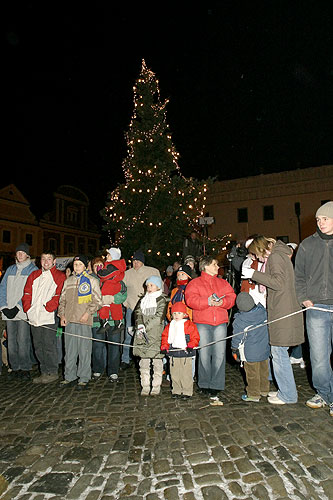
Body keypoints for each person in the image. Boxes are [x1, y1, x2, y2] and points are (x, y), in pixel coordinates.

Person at [242, 236, 304, 405]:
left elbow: (278, 282)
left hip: (282, 310)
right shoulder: (280, 254)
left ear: (262, 249)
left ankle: (288, 395)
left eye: (256, 254)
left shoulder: (275, 257)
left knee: (279, 353)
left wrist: (254, 274)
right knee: (278, 352)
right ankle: (285, 390)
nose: (257, 259)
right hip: (283, 308)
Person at [295, 201, 333, 417]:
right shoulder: (307, 245)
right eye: (318, 219)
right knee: (318, 360)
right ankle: (325, 393)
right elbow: (298, 275)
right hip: (316, 308)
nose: (320, 223)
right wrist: (303, 297)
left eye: (325, 219)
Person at [185, 255, 236, 396]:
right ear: (206, 266)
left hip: (220, 322)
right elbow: (190, 300)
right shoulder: (194, 283)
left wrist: (222, 303)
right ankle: (204, 383)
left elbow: (231, 297)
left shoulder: (223, 283)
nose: (218, 267)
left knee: (220, 354)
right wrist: (207, 301)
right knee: (204, 354)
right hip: (202, 322)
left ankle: (217, 384)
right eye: (215, 264)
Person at [58, 255, 102, 390]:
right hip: (70, 320)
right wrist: (62, 315)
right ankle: (69, 376)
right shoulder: (68, 281)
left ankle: (84, 377)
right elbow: (62, 300)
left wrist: (87, 313)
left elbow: (98, 301)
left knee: (84, 350)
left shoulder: (91, 281)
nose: (77, 267)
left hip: (84, 320)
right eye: (75, 264)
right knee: (70, 350)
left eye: (80, 264)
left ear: (85, 266)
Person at [22, 251, 65, 384]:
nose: (46, 262)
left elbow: (59, 294)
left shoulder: (59, 276)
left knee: (48, 345)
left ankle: (52, 371)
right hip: (34, 316)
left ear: (54, 261)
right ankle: (44, 370)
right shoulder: (34, 275)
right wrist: (28, 308)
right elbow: (27, 292)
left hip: (48, 316)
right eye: (43, 259)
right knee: (38, 346)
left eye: (49, 259)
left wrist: (49, 307)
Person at [0, 243, 37, 380]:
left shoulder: (33, 270)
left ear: (28, 255)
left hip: (22, 312)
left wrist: (18, 307)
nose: (20, 255)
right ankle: (14, 367)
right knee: (11, 342)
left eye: (23, 252)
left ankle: (25, 367)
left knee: (23, 340)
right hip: (8, 311)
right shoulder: (10, 270)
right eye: (18, 252)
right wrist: (4, 306)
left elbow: (32, 291)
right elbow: (2, 288)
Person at [122, 250, 160, 370]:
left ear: (142, 261)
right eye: (134, 261)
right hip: (132, 307)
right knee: (129, 334)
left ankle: (147, 357)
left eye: (138, 261)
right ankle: (125, 359)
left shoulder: (152, 271)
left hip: (147, 307)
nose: (136, 263)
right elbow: (122, 289)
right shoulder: (127, 274)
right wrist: (125, 303)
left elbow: (160, 287)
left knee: (147, 332)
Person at [94, 248, 127, 383]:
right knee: (97, 346)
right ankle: (98, 368)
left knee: (114, 346)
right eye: (95, 266)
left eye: (99, 266)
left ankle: (113, 371)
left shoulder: (117, 279)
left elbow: (123, 295)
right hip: (97, 319)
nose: (98, 268)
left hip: (114, 320)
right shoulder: (94, 281)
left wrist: (111, 299)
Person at [133, 275, 168, 396]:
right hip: (142, 335)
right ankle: (145, 385)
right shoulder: (143, 299)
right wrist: (140, 325)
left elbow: (159, 317)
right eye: (147, 285)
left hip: (155, 335)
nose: (149, 287)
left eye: (151, 285)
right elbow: (137, 312)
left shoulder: (161, 300)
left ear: (158, 286)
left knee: (157, 361)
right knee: (144, 361)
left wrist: (145, 327)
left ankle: (156, 385)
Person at [231, 292, 270, 402]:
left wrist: (234, 349)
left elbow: (237, 338)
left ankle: (253, 394)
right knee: (264, 371)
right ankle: (264, 390)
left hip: (249, 353)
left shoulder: (240, 321)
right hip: (264, 349)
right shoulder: (262, 312)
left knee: (252, 374)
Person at [161, 301, 200, 399]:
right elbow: (165, 336)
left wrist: (191, 344)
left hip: (186, 352)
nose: (176, 315)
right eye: (174, 313)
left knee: (186, 373)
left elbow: (195, 337)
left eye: (179, 313)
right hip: (173, 352)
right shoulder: (170, 326)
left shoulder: (189, 325)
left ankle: (187, 391)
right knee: (174, 373)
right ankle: (176, 390)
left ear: (184, 314)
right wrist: (164, 346)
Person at [286, 243, 306, 369]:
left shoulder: (297, 264)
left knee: (300, 328)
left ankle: (298, 355)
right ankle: (297, 354)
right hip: (290, 301)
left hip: (298, 301)